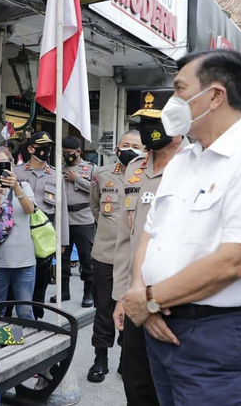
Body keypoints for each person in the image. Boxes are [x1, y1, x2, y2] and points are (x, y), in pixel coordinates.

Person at [120, 49, 241, 405]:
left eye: (179, 90)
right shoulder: (183, 160)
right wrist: (141, 295)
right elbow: (150, 234)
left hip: (220, 336)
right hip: (163, 324)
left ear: (215, 95)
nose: (171, 101)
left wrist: (150, 302)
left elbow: (235, 261)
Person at [112, 90, 189, 405]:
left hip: (176, 299)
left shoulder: (194, 166)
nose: (146, 128)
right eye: (142, 121)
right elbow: (124, 237)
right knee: (136, 381)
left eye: (154, 122)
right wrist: (120, 296)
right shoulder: (135, 169)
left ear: (178, 126)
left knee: (172, 387)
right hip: (134, 294)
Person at [86, 130, 143, 383]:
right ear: (117, 147)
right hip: (106, 254)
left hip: (136, 257)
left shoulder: (148, 176)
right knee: (104, 308)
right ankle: (100, 358)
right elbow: (96, 207)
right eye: (125, 144)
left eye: (135, 145)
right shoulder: (102, 174)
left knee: (131, 310)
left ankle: (126, 359)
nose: (129, 148)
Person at [14, 131, 69, 319]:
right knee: (18, 278)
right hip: (18, 233)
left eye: (48, 148)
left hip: (44, 236)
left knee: (41, 279)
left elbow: (62, 210)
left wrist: (62, 240)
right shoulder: (16, 172)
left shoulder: (55, 175)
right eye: (41, 148)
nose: (45, 151)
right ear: (30, 149)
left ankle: (36, 314)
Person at [0, 146, 36, 324]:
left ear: (12, 165)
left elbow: (30, 210)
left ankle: (30, 348)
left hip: (25, 260)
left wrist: (17, 189)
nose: (0, 168)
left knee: (25, 309)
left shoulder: (24, 186)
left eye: (4, 163)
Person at [52, 136, 98, 307]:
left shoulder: (91, 169)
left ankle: (89, 293)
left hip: (84, 218)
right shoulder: (59, 170)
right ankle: (63, 291)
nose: (66, 156)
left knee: (87, 259)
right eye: (63, 153)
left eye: (69, 153)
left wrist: (77, 179)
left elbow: (95, 190)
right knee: (62, 258)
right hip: (64, 220)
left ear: (78, 152)